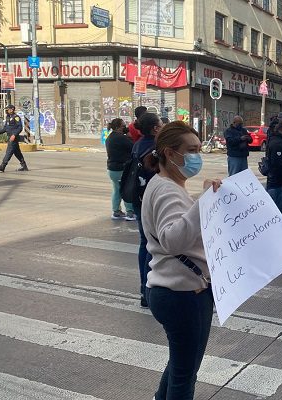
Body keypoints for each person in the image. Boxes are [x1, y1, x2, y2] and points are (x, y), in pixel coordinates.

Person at [142, 120, 221, 400]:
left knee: (179, 366)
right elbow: (172, 239)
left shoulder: (165, 184)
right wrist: (203, 203)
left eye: (199, 149)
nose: (197, 156)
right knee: (185, 374)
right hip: (181, 294)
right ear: (169, 153)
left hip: (173, 290)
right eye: (191, 150)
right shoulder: (166, 190)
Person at [132, 113, 163, 307]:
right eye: (160, 124)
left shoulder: (137, 144)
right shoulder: (156, 148)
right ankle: (147, 290)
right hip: (151, 200)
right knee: (152, 245)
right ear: (154, 128)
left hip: (138, 198)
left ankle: (144, 289)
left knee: (144, 243)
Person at [105, 118, 135, 221]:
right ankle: (130, 212)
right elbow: (133, 148)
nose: (125, 128)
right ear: (118, 127)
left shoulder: (110, 137)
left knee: (117, 190)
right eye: (123, 126)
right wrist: (130, 137)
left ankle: (116, 211)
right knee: (126, 189)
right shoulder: (121, 138)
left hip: (112, 169)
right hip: (121, 168)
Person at [0, 105, 28, 172]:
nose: (6, 111)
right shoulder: (8, 117)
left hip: (13, 137)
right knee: (17, 153)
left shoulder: (16, 117)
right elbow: (5, 128)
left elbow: (20, 127)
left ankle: (3, 166)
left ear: (12, 109)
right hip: (10, 136)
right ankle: (24, 166)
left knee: (9, 152)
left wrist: (14, 134)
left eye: (8, 109)